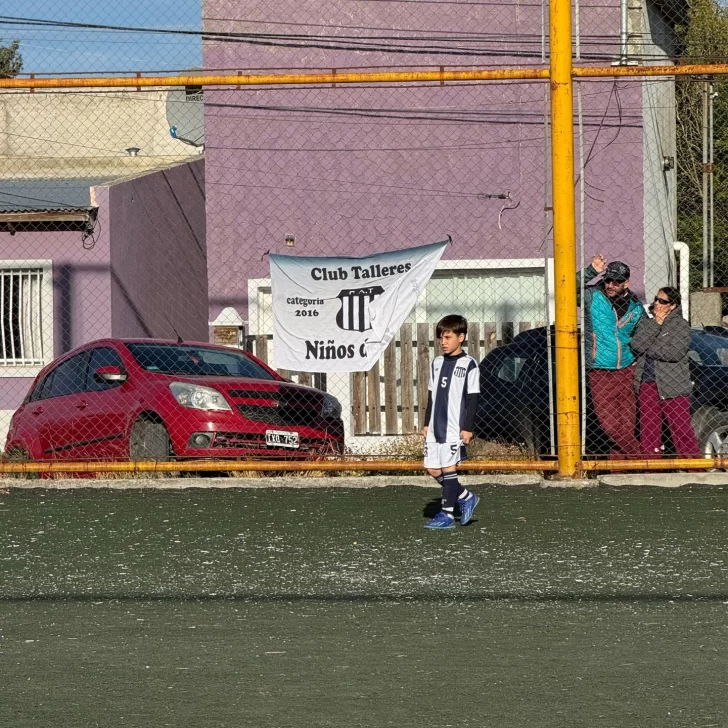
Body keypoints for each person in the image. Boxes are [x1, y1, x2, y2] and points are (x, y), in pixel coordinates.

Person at [579, 255, 644, 456]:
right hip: (600, 370)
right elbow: (566, 287)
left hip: (626, 370)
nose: (610, 285)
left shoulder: (636, 306)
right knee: (610, 427)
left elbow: (643, 335)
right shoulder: (592, 296)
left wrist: (637, 360)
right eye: (608, 280)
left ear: (626, 283)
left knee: (626, 426)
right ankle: (642, 460)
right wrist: (591, 270)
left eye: (616, 282)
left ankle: (620, 469)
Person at [422, 314, 481, 530]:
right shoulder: (436, 363)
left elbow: (473, 398)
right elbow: (431, 395)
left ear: (461, 337)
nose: (443, 342)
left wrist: (467, 427)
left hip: (453, 426)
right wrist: (427, 422)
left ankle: (447, 514)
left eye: (448, 337)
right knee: (432, 469)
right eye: (441, 338)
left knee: (448, 468)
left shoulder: (469, 364)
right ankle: (466, 497)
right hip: (435, 426)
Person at [631, 287, 700, 458]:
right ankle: (651, 465)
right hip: (647, 382)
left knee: (681, 428)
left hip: (673, 385)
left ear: (672, 305)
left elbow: (674, 353)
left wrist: (648, 348)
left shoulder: (680, 325)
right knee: (649, 429)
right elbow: (637, 344)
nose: (657, 303)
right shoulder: (648, 323)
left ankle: (693, 465)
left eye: (663, 301)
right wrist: (657, 324)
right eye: (656, 299)